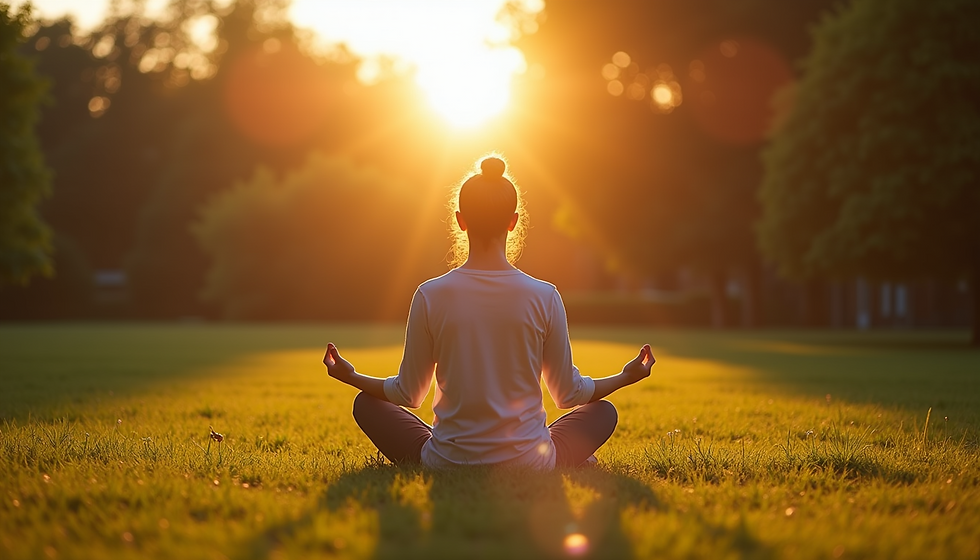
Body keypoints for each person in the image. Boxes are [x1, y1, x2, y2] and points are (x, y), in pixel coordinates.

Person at [323, 156, 655, 469]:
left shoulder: (429, 295)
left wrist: (349, 376)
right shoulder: (545, 295)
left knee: (366, 404)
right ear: (513, 222)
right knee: (603, 413)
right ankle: (563, 458)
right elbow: (569, 394)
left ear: (460, 220)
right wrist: (627, 376)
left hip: (447, 460)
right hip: (530, 461)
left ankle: (455, 449)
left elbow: (407, 393)